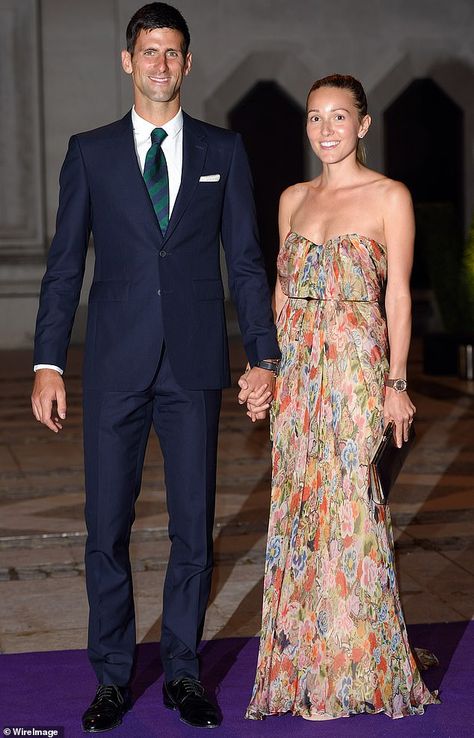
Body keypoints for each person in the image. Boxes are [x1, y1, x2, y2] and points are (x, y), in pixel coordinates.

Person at [31, 3, 279, 732]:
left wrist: (263, 354)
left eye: (172, 52)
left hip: (195, 367)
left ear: (188, 63)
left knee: (192, 532)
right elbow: (63, 266)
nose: (160, 64)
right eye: (149, 51)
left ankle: (181, 671)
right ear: (127, 60)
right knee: (105, 528)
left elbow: (245, 261)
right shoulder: (91, 152)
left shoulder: (223, 151)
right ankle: (111, 677)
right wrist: (49, 361)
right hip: (113, 366)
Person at [244, 74, 440, 720]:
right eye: (314, 118)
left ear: (362, 126)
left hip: (358, 372)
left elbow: (399, 296)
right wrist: (269, 370)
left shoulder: (390, 197)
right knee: (301, 514)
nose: (325, 130)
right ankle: (307, 661)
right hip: (300, 375)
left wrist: (397, 383)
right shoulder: (292, 199)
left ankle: (355, 666)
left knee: (350, 510)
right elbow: (280, 292)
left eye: (338, 118)